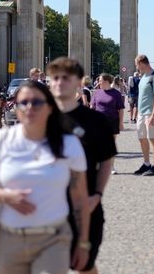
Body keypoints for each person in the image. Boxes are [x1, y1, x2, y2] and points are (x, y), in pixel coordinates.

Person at [0, 80, 91, 274]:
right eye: (23, 103)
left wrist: (83, 243)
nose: (29, 107)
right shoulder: (0, 139)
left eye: (36, 102)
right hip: (9, 239)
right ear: (15, 108)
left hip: (54, 238)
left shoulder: (68, 144)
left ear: (50, 107)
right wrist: (4, 196)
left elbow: (80, 199)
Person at [48, 60, 117, 274]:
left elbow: (106, 160)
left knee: (84, 266)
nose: (60, 83)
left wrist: (97, 193)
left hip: (85, 204)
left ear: (79, 82)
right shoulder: (40, 118)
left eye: (66, 78)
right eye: (55, 78)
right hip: (46, 206)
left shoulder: (96, 121)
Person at [133, 55, 154, 176]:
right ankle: (146, 164)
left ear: (141, 63)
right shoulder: (143, 77)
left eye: (136, 65)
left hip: (151, 113)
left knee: (153, 138)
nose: (136, 67)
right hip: (142, 113)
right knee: (141, 138)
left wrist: (153, 115)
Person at [89, 72, 124, 175]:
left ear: (106, 81)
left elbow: (121, 109)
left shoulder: (116, 93)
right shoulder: (96, 92)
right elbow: (92, 107)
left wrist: (121, 123)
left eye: (100, 80)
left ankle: (111, 166)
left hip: (112, 121)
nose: (98, 82)